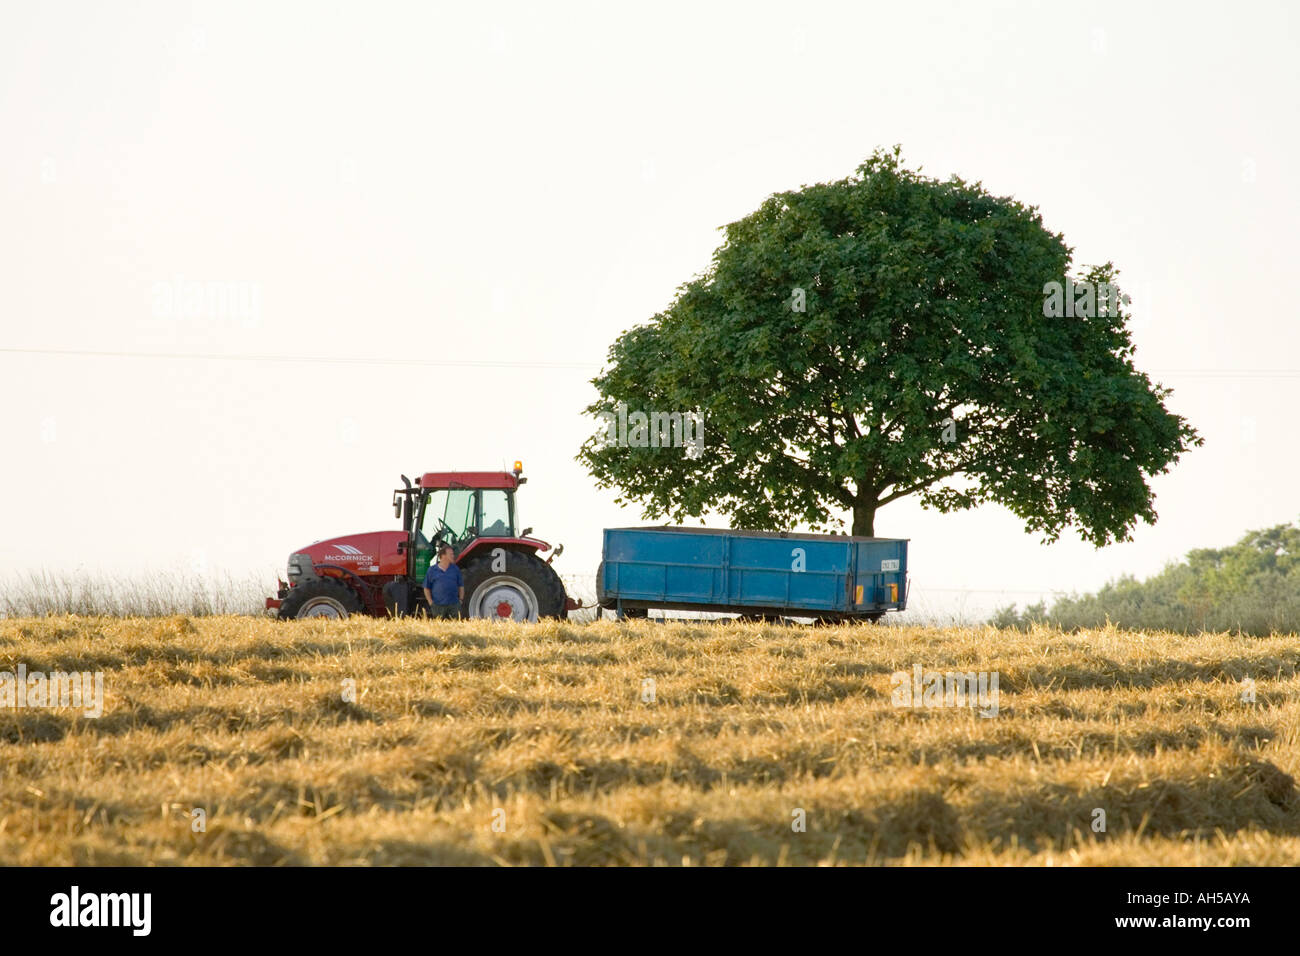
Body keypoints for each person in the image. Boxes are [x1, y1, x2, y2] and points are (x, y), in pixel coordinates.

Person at [423, 544, 464, 618]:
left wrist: (460, 600)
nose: (453, 556)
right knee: (439, 628)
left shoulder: (455, 569)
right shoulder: (432, 570)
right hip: (438, 607)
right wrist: (431, 602)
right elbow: (426, 588)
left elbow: (461, 586)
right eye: (451, 554)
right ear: (443, 555)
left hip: (454, 606)